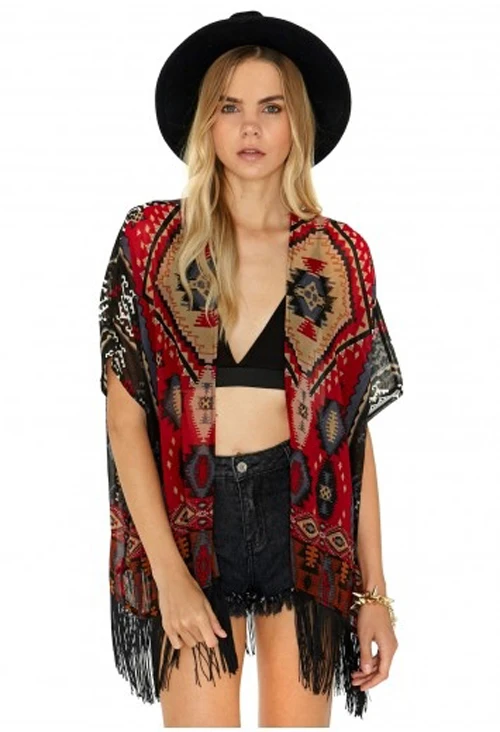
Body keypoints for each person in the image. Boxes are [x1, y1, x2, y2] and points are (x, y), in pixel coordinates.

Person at [98, 10, 404, 728]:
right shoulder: (152, 241)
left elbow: (353, 441)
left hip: (305, 524)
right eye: (230, 107)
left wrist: (375, 595)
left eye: (271, 108)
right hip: (189, 520)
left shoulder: (338, 255)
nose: (250, 128)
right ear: (205, 123)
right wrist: (168, 574)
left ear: (298, 123)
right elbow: (124, 421)